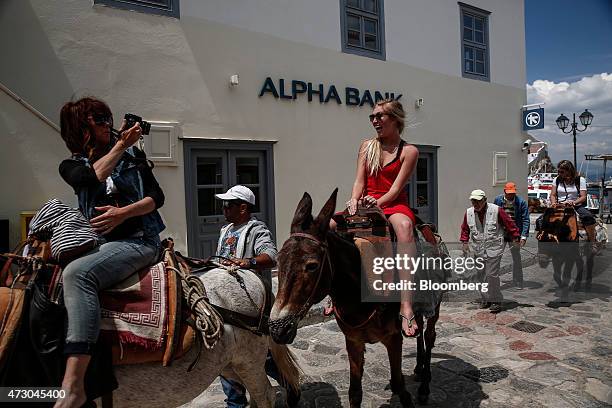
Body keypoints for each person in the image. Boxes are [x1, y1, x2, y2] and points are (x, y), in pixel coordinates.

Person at [56, 97, 165, 408]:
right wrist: (121, 147)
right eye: (100, 119)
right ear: (82, 130)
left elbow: (157, 196)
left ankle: (73, 385)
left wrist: (125, 213)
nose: (108, 124)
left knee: (77, 274)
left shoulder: (132, 156)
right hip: (99, 244)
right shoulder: (71, 166)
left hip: (140, 240)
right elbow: (91, 177)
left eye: (108, 118)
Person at [335, 99, 420, 337]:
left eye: (380, 116)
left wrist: (377, 203)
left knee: (404, 228)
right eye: (372, 117)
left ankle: (405, 304)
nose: (374, 121)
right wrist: (354, 200)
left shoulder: (409, 151)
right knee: (329, 226)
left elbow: (395, 189)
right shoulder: (366, 146)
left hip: (393, 205)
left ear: (395, 119)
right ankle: (336, 291)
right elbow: (359, 181)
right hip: (365, 203)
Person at [213, 185, 299, 407]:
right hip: (228, 300)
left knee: (262, 354)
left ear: (243, 207)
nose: (224, 208)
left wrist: (249, 262)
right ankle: (236, 402)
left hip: (251, 303)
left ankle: (287, 381)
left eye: (228, 204)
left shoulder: (256, 230)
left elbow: (271, 256)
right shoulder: (226, 230)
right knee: (228, 354)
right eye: (223, 204)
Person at [460, 190, 519, 313]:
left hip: (494, 248)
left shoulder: (496, 210)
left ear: (484, 200)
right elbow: (465, 229)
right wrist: (465, 242)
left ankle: (496, 300)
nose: (475, 203)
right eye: (473, 201)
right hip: (478, 249)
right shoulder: (469, 213)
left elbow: (509, 224)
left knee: (491, 275)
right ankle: (486, 298)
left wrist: (516, 237)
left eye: (478, 201)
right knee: (481, 274)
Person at [550, 160, 597, 251]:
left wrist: (573, 202)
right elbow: (553, 194)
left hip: (575, 205)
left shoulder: (580, 180)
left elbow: (583, 196)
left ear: (569, 171)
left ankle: (592, 242)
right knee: (541, 220)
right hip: (559, 205)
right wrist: (553, 203)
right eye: (558, 171)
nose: (559, 173)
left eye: (562, 172)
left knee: (588, 217)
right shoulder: (556, 180)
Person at [493, 182, 530, 289]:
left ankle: (518, 281)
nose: (511, 195)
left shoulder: (521, 202)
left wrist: (523, 236)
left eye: (512, 193)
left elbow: (525, 219)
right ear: (505, 192)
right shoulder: (498, 200)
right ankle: (495, 281)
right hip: (501, 233)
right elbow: (494, 216)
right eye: (509, 193)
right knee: (496, 257)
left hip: (514, 233)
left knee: (516, 257)